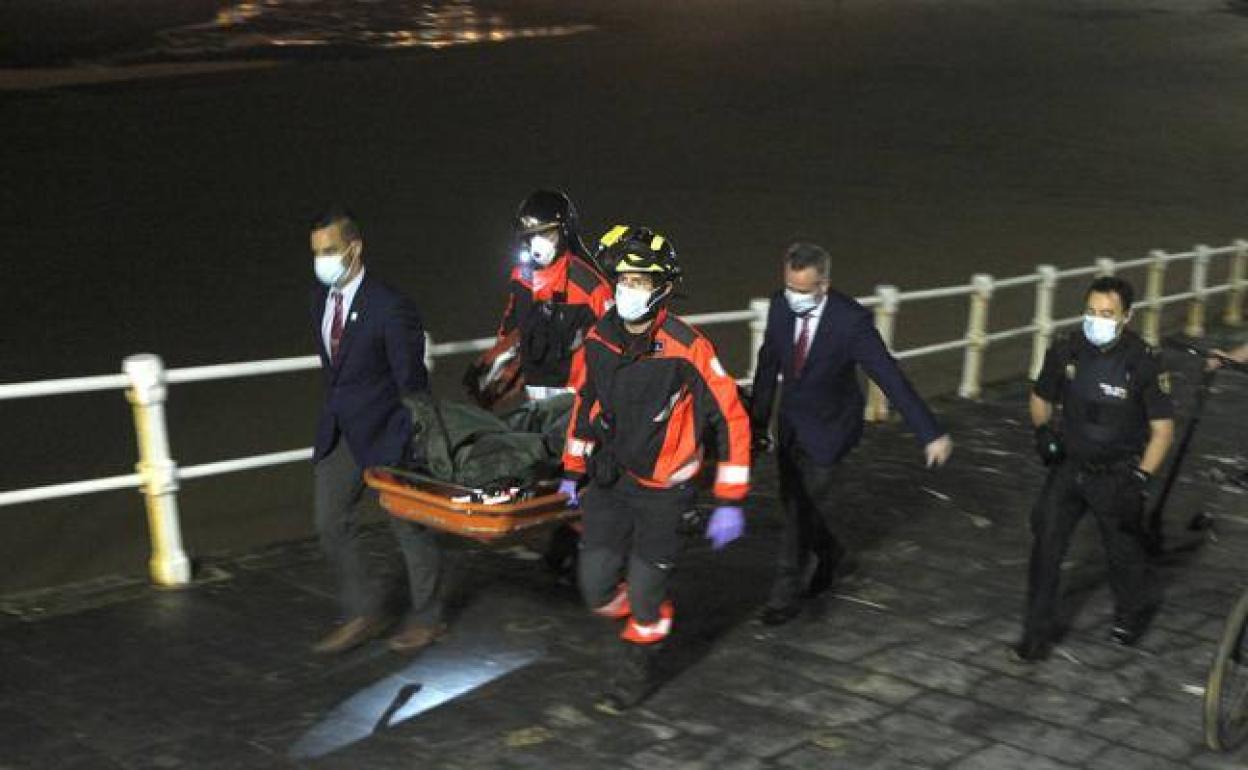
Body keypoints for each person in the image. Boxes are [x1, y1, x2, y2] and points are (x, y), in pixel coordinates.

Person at [559, 225, 752, 712]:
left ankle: (637, 662)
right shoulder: (601, 338)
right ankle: (642, 608)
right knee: (595, 587)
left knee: (645, 598)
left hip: (664, 492)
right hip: (611, 481)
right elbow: (587, 402)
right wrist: (571, 468)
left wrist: (729, 499)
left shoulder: (687, 347)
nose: (628, 290)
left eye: (640, 282)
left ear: (663, 287)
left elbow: (731, 416)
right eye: (623, 280)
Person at [750, 242, 953, 626]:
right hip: (791, 425)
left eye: (803, 291)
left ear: (824, 285)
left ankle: (783, 597)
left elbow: (888, 376)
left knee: (797, 513)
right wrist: (756, 424)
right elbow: (767, 365)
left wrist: (930, 432)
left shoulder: (851, 322)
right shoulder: (779, 306)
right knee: (793, 503)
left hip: (830, 431)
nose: (793, 298)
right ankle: (833, 554)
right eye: (789, 288)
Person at [1014, 276, 1175, 662]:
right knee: (1046, 545)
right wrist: (1042, 431)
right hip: (1071, 466)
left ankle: (1131, 614)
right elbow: (1040, 398)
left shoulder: (1144, 363)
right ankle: (1035, 634)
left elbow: (1163, 432)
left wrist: (1141, 479)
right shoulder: (1067, 349)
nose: (1096, 320)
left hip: (1119, 472)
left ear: (1127, 317)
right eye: (1091, 311)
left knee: (1124, 552)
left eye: (1107, 314)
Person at [309, 207, 446, 655]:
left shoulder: (391, 306)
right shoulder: (319, 301)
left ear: (355, 248)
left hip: (389, 431)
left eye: (330, 250)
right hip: (341, 431)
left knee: (409, 528)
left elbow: (411, 380)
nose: (323, 260)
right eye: (317, 252)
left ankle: (428, 617)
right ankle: (364, 611)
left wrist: (413, 436)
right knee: (330, 522)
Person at [465, 190, 613, 406]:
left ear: (565, 232)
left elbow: (617, 350)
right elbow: (512, 324)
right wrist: (497, 362)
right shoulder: (521, 277)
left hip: (576, 403)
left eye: (546, 234)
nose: (537, 244)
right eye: (530, 236)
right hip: (535, 401)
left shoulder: (592, 288)